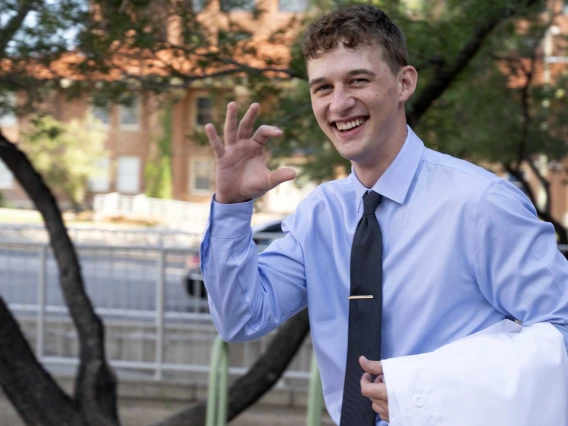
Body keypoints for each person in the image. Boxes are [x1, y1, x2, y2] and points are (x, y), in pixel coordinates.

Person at [200, 5, 568, 425]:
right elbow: (240, 318)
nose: (339, 103)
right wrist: (230, 208)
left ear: (404, 83)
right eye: (322, 88)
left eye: (358, 80)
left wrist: (432, 390)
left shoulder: (482, 204)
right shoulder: (319, 215)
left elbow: (561, 333)